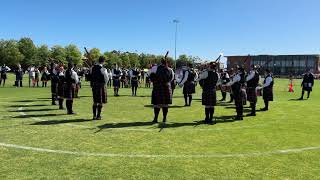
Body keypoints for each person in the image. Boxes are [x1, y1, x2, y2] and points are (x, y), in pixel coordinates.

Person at [148, 59, 174, 124]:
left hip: (157, 87)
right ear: (166, 63)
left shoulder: (155, 68)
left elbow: (150, 76)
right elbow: (172, 78)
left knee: (156, 104)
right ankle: (164, 118)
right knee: (165, 104)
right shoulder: (170, 69)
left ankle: (155, 118)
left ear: (161, 62)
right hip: (166, 87)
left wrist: (155, 80)